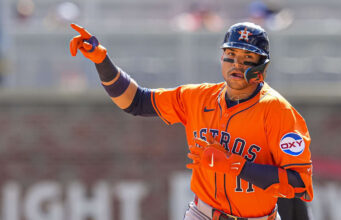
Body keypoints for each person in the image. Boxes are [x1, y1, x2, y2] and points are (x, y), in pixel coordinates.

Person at [69, 22, 313, 220]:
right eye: (230, 54)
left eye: (247, 57)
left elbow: (299, 183)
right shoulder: (198, 97)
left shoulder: (277, 111)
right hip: (203, 214)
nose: (236, 64)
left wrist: (234, 165)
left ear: (263, 66)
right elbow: (135, 101)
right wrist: (102, 61)